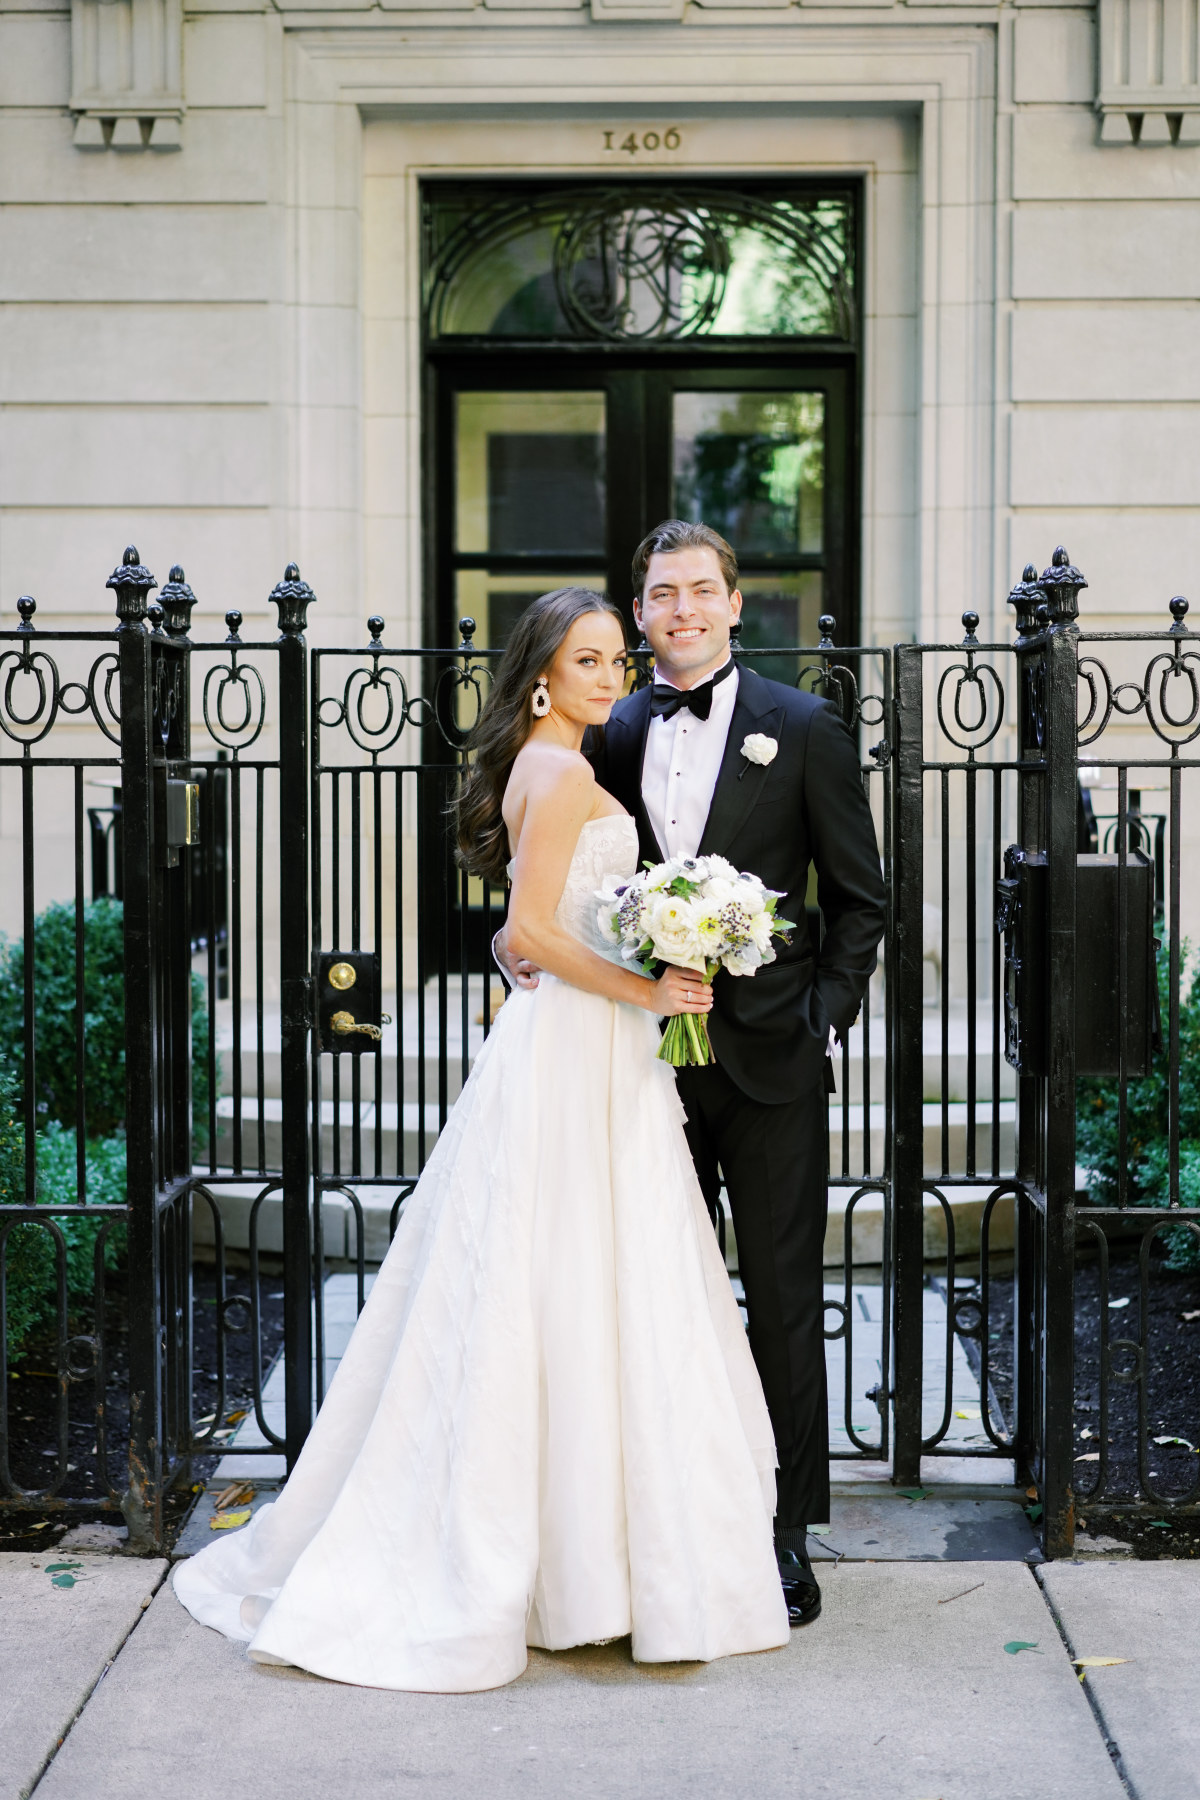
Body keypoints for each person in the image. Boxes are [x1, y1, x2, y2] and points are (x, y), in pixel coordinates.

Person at [172, 585, 790, 1692]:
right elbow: (533, 933)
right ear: (541, 678)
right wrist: (652, 990)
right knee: (566, 1278)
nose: (610, 677)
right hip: (580, 1049)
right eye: (588, 662)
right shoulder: (556, 773)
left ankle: (588, 1562)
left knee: (585, 1278)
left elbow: (525, 941)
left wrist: (639, 967)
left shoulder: (553, 766)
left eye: (615, 660)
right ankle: (576, 1567)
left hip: (585, 1046)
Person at [497, 523, 886, 1627]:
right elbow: (550, 870)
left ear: (733, 602)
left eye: (700, 591)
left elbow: (863, 898)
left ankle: (784, 1533)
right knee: (643, 1298)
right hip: (633, 1065)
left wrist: (820, 1022)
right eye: (661, 595)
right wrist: (511, 939)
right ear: (640, 611)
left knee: (781, 1301)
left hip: (768, 1059)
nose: (681, 611)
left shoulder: (802, 726)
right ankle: (659, 1523)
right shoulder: (603, 729)